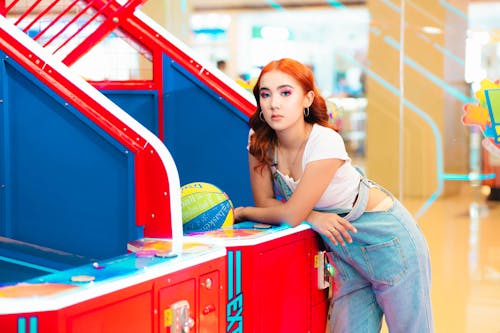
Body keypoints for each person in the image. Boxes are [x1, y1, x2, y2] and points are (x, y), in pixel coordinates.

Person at [234, 58, 434, 333]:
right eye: (265, 94)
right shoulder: (259, 140)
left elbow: (290, 214)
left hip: (387, 239)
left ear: (307, 99)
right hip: (342, 250)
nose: (274, 104)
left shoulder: (324, 141)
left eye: (285, 93)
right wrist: (314, 217)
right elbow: (266, 203)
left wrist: (242, 212)